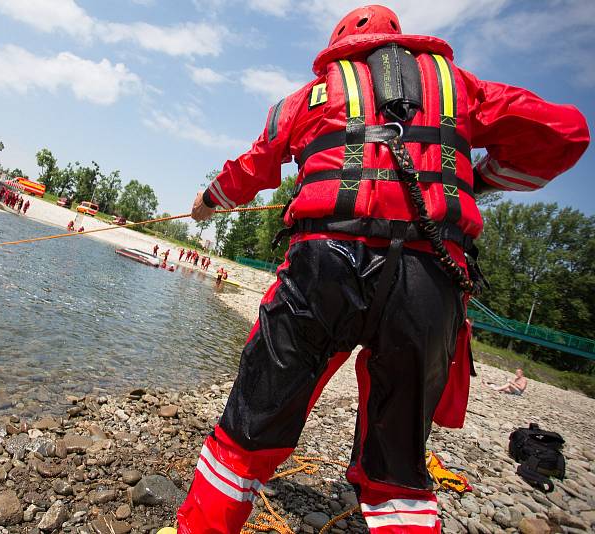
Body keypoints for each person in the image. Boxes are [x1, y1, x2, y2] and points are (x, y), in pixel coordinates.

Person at [174, 5, 588, 534]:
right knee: (399, 462)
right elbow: (566, 132)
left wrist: (209, 200)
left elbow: (254, 165)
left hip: (322, 270)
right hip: (429, 280)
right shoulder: (461, 88)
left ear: (339, 47)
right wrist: (481, 178)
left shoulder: (309, 97)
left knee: (253, 422)